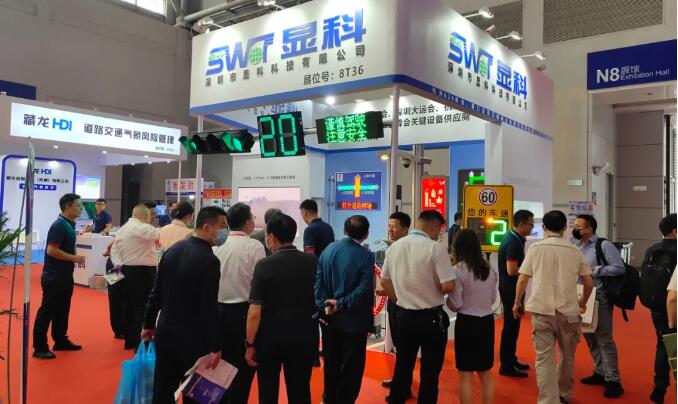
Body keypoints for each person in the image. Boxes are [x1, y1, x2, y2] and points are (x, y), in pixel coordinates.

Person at [141, 206, 226, 404]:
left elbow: (156, 292)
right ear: (207, 227)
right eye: (222, 226)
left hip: (166, 331)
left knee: (163, 390)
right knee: (193, 393)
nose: (225, 231)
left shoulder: (172, 251)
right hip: (194, 338)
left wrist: (148, 323)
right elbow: (209, 307)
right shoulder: (209, 260)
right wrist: (215, 345)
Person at [513, 210, 593, 404]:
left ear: (543, 227)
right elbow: (589, 283)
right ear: (565, 228)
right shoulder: (575, 250)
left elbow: (522, 279)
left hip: (542, 311)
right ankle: (564, 395)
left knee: (544, 359)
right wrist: (582, 303)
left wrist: (517, 303)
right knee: (567, 357)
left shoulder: (535, 249)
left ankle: (548, 400)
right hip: (569, 312)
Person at [380, 210, 455, 404]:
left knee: (403, 364)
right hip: (431, 318)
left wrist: (399, 299)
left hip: (404, 316)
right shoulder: (436, 248)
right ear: (434, 227)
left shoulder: (394, 248)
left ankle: (397, 399)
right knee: (430, 370)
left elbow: (385, 281)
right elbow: (448, 286)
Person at [245, 213, 319, 404]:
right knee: (300, 391)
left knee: (268, 391)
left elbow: (254, 312)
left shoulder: (264, 265)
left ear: (271, 237)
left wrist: (250, 343)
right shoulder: (312, 262)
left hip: (269, 340)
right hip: (304, 337)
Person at [315, 215, 374, 404]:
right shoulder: (366, 256)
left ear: (344, 230)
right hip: (354, 322)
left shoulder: (328, 250)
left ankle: (328, 398)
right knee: (352, 368)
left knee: (331, 363)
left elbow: (318, 281)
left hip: (328, 320)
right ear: (366, 234)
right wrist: (339, 303)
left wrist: (325, 304)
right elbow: (363, 290)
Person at [213, 203, 265, 404]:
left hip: (218, 312)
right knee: (243, 368)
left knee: (220, 365)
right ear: (246, 223)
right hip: (244, 312)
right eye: (252, 218)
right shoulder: (255, 246)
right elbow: (259, 283)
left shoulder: (217, 246)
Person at [573, 214, 625, 398]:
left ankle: (613, 380)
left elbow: (618, 267)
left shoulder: (604, 245)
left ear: (589, 228)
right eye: (574, 226)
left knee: (604, 338)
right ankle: (600, 372)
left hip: (600, 298)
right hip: (582, 297)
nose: (575, 230)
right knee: (590, 337)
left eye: (579, 227)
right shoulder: (577, 246)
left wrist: (594, 270)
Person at [446, 229, 498, 404]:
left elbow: (456, 304)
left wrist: (447, 300)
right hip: (487, 322)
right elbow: (492, 299)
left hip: (467, 323)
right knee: (485, 373)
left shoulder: (457, 270)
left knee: (465, 374)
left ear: (457, 247)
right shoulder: (489, 269)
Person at [33, 193, 86, 359]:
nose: (81, 209)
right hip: (55, 275)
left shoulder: (68, 224)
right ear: (68, 206)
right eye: (78, 205)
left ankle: (60, 340)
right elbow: (52, 250)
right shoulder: (59, 225)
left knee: (63, 309)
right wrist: (74, 258)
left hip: (64, 274)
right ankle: (39, 347)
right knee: (47, 311)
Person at [111, 204, 160, 350]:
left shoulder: (122, 229)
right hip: (143, 272)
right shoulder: (141, 227)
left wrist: (119, 264)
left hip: (127, 270)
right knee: (142, 307)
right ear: (146, 216)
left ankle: (130, 340)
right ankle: (141, 342)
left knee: (129, 306)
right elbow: (160, 234)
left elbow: (114, 251)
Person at [643, 213, 677, 403]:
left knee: (662, 343)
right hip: (674, 306)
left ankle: (660, 385)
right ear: (675, 231)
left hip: (656, 305)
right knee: (674, 345)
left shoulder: (652, 249)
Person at [498, 209, 534, 378]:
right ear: (521, 224)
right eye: (530, 224)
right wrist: (531, 270)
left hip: (512, 289)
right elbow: (511, 270)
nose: (532, 227)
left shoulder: (515, 239)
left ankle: (511, 359)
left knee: (513, 327)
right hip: (510, 290)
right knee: (510, 328)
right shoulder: (513, 242)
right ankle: (506, 365)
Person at [378, 212, 411, 390]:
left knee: (404, 346)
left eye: (395, 227)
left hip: (402, 303)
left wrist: (395, 297)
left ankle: (402, 385)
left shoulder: (408, 249)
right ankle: (400, 380)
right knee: (400, 345)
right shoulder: (392, 248)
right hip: (396, 301)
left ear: (406, 229)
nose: (390, 230)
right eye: (389, 226)